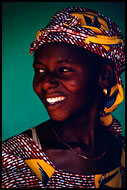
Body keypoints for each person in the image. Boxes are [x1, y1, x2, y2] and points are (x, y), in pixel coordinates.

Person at [2, 7, 125, 188]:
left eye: (64, 69)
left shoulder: (120, 150)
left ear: (104, 76)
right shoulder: (12, 161)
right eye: (40, 70)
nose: (46, 83)